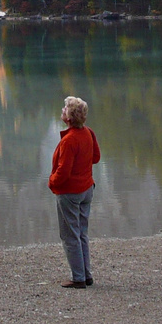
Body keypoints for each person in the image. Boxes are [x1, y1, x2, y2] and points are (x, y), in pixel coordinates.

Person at [49, 95, 99, 288]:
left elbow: (63, 172)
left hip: (70, 193)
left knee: (70, 235)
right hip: (87, 189)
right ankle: (86, 275)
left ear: (69, 118)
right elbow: (95, 157)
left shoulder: (69, 141)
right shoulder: (89, 133)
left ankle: (78, 278)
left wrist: (52, 182)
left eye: (64, 110)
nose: (61, 112)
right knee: (82, 233)